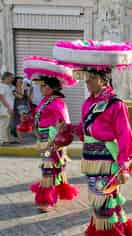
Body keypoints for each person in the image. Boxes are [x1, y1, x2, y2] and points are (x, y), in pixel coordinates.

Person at [53, 40, 132, 236]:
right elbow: (86, 131)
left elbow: (125, 137)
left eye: (89, 78)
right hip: (91, 162)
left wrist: (124, 166)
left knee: (107, 204)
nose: (87, 83)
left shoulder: (115, 104)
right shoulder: (89, 102)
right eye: (86, 78)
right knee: (98, 204)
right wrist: (68, 128)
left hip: (108, 163)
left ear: (102, 77)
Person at [24, 56, 79, 213]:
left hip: (51, 139)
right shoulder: (46, 100)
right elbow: (39, 115)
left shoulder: (57, 102)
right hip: (44, 137)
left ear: (51, 87)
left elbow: (65, 122)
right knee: (52, 166)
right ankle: (59, 190)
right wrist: (29, 118)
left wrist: (58, 139)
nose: (40, 89)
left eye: (43, 86)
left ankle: (47, 199)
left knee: (49, 167)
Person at [13, 76, 32, 142]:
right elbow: (20, 97)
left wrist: (30, 91)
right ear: (16, 83)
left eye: (22, 81)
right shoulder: (14, 90)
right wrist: (24, 90)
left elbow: (29, 99)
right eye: (19, 81)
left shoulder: (25, 89)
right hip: (18, 108)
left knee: (29, 121)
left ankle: (37, 136)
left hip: (26, 107)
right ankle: (20, 139)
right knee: (18, 122)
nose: (21, 82)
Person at [0, 72, 15, 145]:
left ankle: (7, 140)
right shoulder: (2, 86)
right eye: (11, 77)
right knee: (4, 125)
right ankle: (3, 140)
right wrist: (8, 107)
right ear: (7, 77)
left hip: (8, 109)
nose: (12, 79)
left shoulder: (7, 86)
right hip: (5, 109)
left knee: (8, 125)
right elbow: (1, 97)